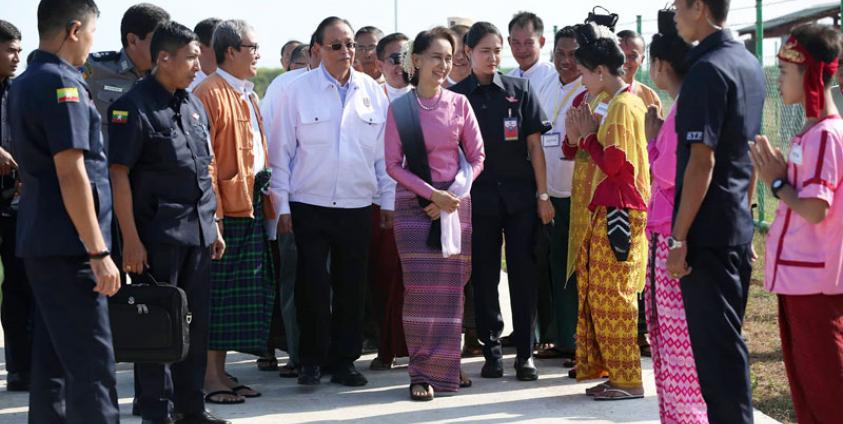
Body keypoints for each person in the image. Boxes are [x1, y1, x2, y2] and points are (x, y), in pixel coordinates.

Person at [108, 21, 229, 424]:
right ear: (164, 58)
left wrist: (214, 225)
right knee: (157, 329)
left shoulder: (193, 105)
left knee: (194, 325)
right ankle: (155, 412)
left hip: (197, 235)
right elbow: (119, 174)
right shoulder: (132, 106)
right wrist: (130, 240)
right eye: (192, 57)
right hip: (155, 238)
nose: (198, 64)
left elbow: (204, 168)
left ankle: (191, 408)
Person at [8, 1, 121, 422]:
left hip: (42, 238)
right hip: (72, 247)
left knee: (52, 364)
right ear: (75, 30)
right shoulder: (62, 84)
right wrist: (98, 252)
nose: (93, 44)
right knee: (93, 366)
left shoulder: (25, 81)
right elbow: (71, 172)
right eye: (92, 33)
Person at [269, 16, 395, 387]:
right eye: (336, 45)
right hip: (309, 204)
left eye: (351, 45)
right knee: (311, 286)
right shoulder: (297, 90)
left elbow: (381, 155)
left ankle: (344, 360)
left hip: (357, 205)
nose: (346, 52)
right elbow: (281, 155)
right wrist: (284, 208)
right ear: (317, 50)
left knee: (351, 287)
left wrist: (386, 200)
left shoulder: (372, 91)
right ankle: (310, 359)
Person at [669, 0, 765, 421]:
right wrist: (747, 212)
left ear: (699, 7)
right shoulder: (747, 61)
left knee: (718, 358)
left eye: (677, 5)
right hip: (734, 228)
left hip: (706, 235)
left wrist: (678, 237)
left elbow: (701, 162)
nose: (673, 14)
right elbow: (753, 150)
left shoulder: (707, 71)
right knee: (726, 349)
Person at [385, 26, 485, 401]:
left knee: (450, 291)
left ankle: (446, 365)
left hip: (456, 205)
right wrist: (431, 195)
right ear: (416, 60)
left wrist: (451, 194)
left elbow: (477, 157)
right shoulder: (400, 109)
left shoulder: (459, 104)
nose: (443, 64)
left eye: (448, 57)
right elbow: (393, 164)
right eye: (436, 57)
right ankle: (421, 372)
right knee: (420, 293)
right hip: (415, 207)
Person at [750, 23, 843, 424]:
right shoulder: (811, 134)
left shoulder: (826, 135)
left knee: (826, 386)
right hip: (796, 281)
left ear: (810, 73)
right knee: (806, 386)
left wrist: (776, 181)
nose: (779, 79)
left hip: (815, 285)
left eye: (785, 72)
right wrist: (781, 173)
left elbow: (815, 209)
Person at [450, 22, 553, 381]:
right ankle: (491, 352)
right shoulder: (456, 96)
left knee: (524, 274)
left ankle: (525, 354)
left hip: (521, 199)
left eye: (497, 50)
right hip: (478, 200)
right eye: (484, 51)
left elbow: (535, 147)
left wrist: (543, 195)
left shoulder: (520, 90)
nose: (492, 57)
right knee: (484, 276)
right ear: (467, 53)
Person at [563, 31, 650, 401]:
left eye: (584, 72)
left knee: (613, 298)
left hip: (620, 211)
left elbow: (616, 166)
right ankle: (617, 374)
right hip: (616, 208)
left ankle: (628, 380)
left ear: (600, 71)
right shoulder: (621, 101)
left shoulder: (619, 107)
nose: (582, 80)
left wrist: (586, 137)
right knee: (604, 296)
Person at [193, 19, 274, 404]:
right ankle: (209, 377)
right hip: (226, 211)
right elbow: (205, 162)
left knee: (238, 295)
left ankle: (220, 371)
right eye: (252, 47)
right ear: (230, 51)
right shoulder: (209, 92)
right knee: (219, 296)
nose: (258, 54)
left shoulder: (246, 92)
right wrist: (215, 218)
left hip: (251, 203)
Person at [642, 20, 708, 422]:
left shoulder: (683, 110)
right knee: (669, 341)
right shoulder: (684, 107)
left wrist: (653, 137)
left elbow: (670, 173)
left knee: (679, 346)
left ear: (662, 65)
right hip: (668, 234)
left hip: (674, 238)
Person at [533, 25, 586, 362]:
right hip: (548, 191)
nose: (566, 60)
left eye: (574, 54)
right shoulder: (547, 83)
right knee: (552, 266)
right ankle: (558, 336)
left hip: (576, 193)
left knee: (575, 269)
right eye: (561, 53)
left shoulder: (589, 88)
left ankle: (577, 339)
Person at [368, 31, 411, 371]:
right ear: (379, 63)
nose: (401, 65)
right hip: (381, 201)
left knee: (417, 279)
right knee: (384, 277)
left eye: (407, 56)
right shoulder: (369, 97)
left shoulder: (430, 96)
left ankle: (419, 346)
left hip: (422, 199)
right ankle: (386, 346)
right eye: (394, 58)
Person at [85, 2, 170, 143]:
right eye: (157, 41)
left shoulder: (165, 79)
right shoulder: (94, 68)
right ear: (133, 41)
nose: (163, 49)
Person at [0, 19, 30, 393]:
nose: (16, 57)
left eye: (20, 50)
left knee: (21, 287)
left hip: (15, 201)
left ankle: (21, 370)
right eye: (10, 50)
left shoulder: (22, 91)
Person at [506, 12, 555, 88]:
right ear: (509, 42)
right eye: (516, 43)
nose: (522, 50)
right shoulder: (507, 81)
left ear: (541, 42)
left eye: (528, 43)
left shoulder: (554, 77)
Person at [617, 30, 662, 112]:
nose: (625, 61)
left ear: (642, 59)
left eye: (632, 56)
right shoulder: (594, 94)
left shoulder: (651, 98)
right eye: (620, 54)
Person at [188, 17, 221, 91]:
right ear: (200, 48)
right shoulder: (187, 87)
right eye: (220, 46)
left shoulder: (238, 87)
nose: (228, 52)